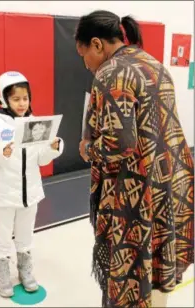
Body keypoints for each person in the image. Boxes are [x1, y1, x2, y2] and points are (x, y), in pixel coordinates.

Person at [75, 10, 194, 308]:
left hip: (135, 200)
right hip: (169, 188)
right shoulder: (153, 63)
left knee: (131, 283)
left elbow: (120, 144)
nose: (85, 64)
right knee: (156, 285)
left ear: (97, 44)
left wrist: (88, 149)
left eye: (83, 54)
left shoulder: (110, 72)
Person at [0, 71, 64, 298]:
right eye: (16, 99)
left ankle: (25, 268)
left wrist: (53, 148)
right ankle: (2, 271)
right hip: (4, 193)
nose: (22, 103)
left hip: (30, 192)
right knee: (3, 234)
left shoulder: (34, 122)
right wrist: (0, 152)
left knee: (26, 235)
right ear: (3, 98)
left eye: (25, 98)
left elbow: (40, 159)